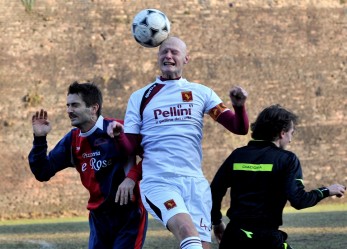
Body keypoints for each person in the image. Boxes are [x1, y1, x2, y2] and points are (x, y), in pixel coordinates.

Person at [107, 36, 249, 249]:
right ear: (158, 57)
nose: (168, 56)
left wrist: (239, 107)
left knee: (200, 245)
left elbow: (239, 128)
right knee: (186, 232)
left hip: (195, 184)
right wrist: (119, 137)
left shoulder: (201, 93)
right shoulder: (140, 97)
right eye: (164, 52)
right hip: (159, 181)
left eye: (174, 52)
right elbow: (131, 147)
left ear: (186, 59)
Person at [28, 81, 148, 249]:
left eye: (75, 105)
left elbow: (155, 157)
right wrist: (39, 139)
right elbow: (42, 172)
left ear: (93, 108)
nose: (69, 110)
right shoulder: (72, 140)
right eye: (68, 105)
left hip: (128, 216)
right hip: (99, 218)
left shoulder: (119, 128)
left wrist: (131, 178)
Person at [210, 104, 346, 249]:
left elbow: (214, 191)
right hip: (265, 239)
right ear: (282, 133)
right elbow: (299, 200)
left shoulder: (237, 155)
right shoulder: (287, 159)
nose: (291, 140)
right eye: (291, 133)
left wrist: (217, 222)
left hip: (233, 237)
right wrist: (327, 191)